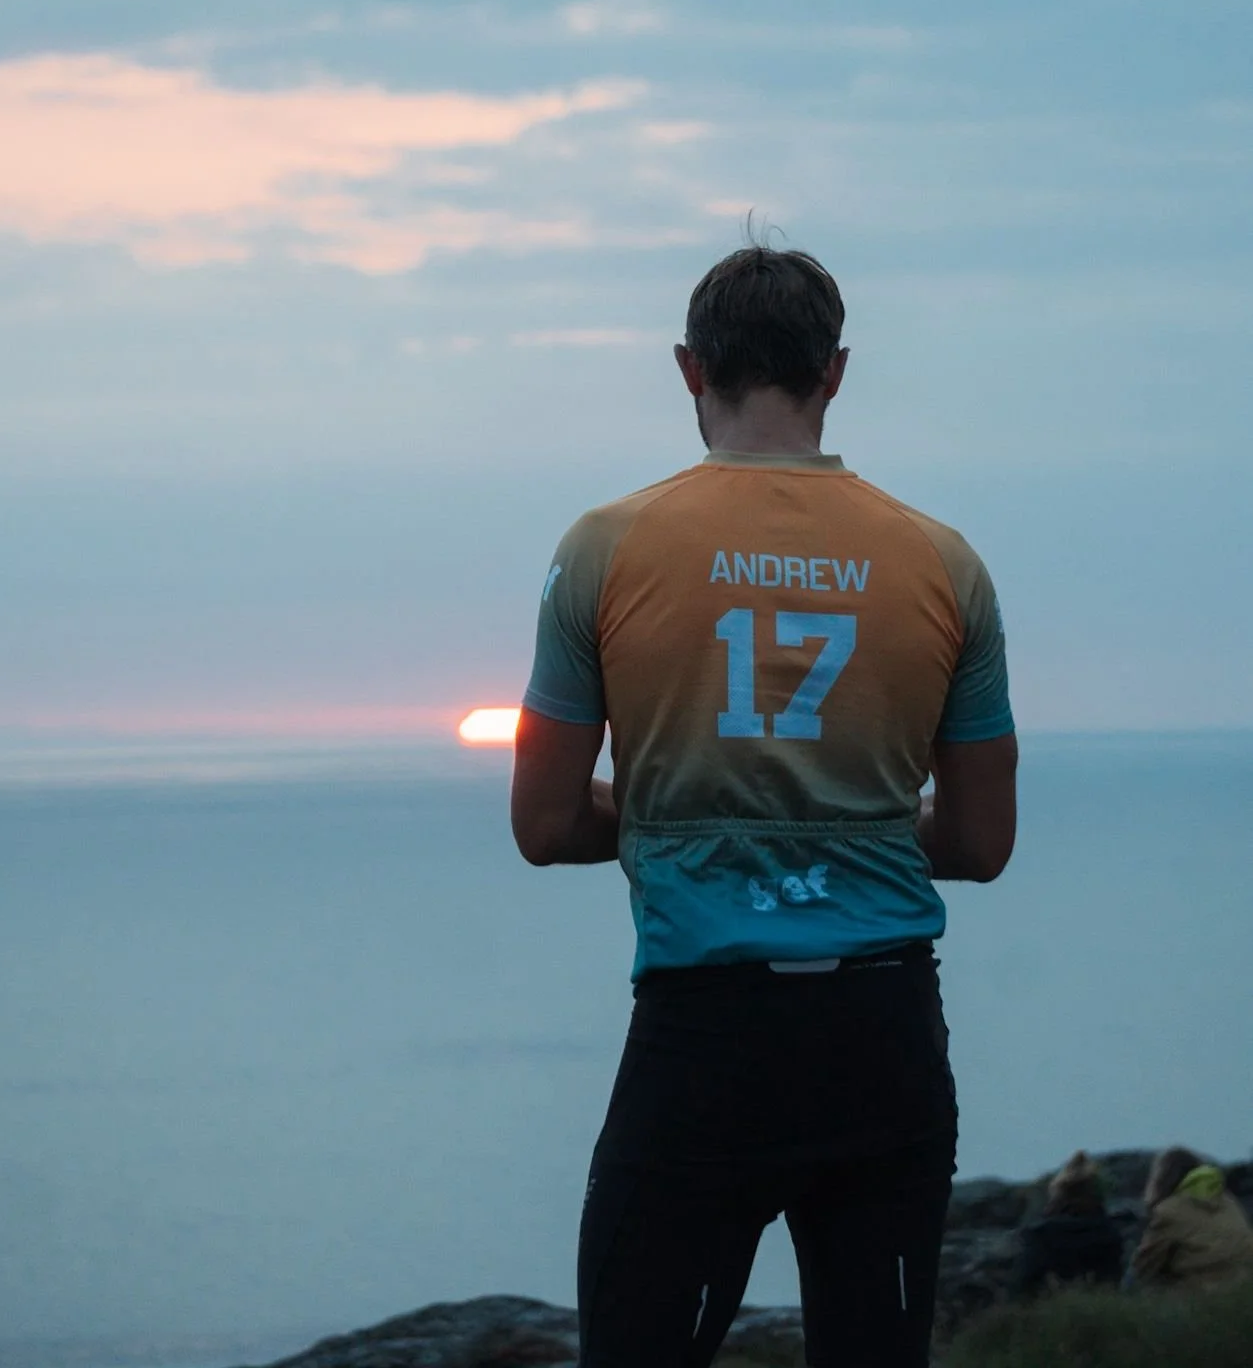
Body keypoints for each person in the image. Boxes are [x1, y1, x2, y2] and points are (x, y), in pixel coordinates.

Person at [511, 244, 1018, 1368]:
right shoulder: (945, 563)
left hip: (706, 1040)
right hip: (885, 1038)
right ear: (834, 371)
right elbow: (981, 841)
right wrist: (849, 835)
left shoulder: (603, 548)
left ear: (691, 369)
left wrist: (675, 825)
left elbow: (545, 824)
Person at [1130, 1147, 1253, 1291]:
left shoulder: (1169, 1210)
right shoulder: (1228, 1201)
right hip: (1244, 1291)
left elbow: (1144, 1267)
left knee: (1133, 1280)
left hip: (1202, 1295)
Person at [1010, 1151, 1124, 1297]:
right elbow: (1113, 1283)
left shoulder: (1040, 1236)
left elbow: (1022, 1285)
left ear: (1058, 1194)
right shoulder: (1111, 1235)